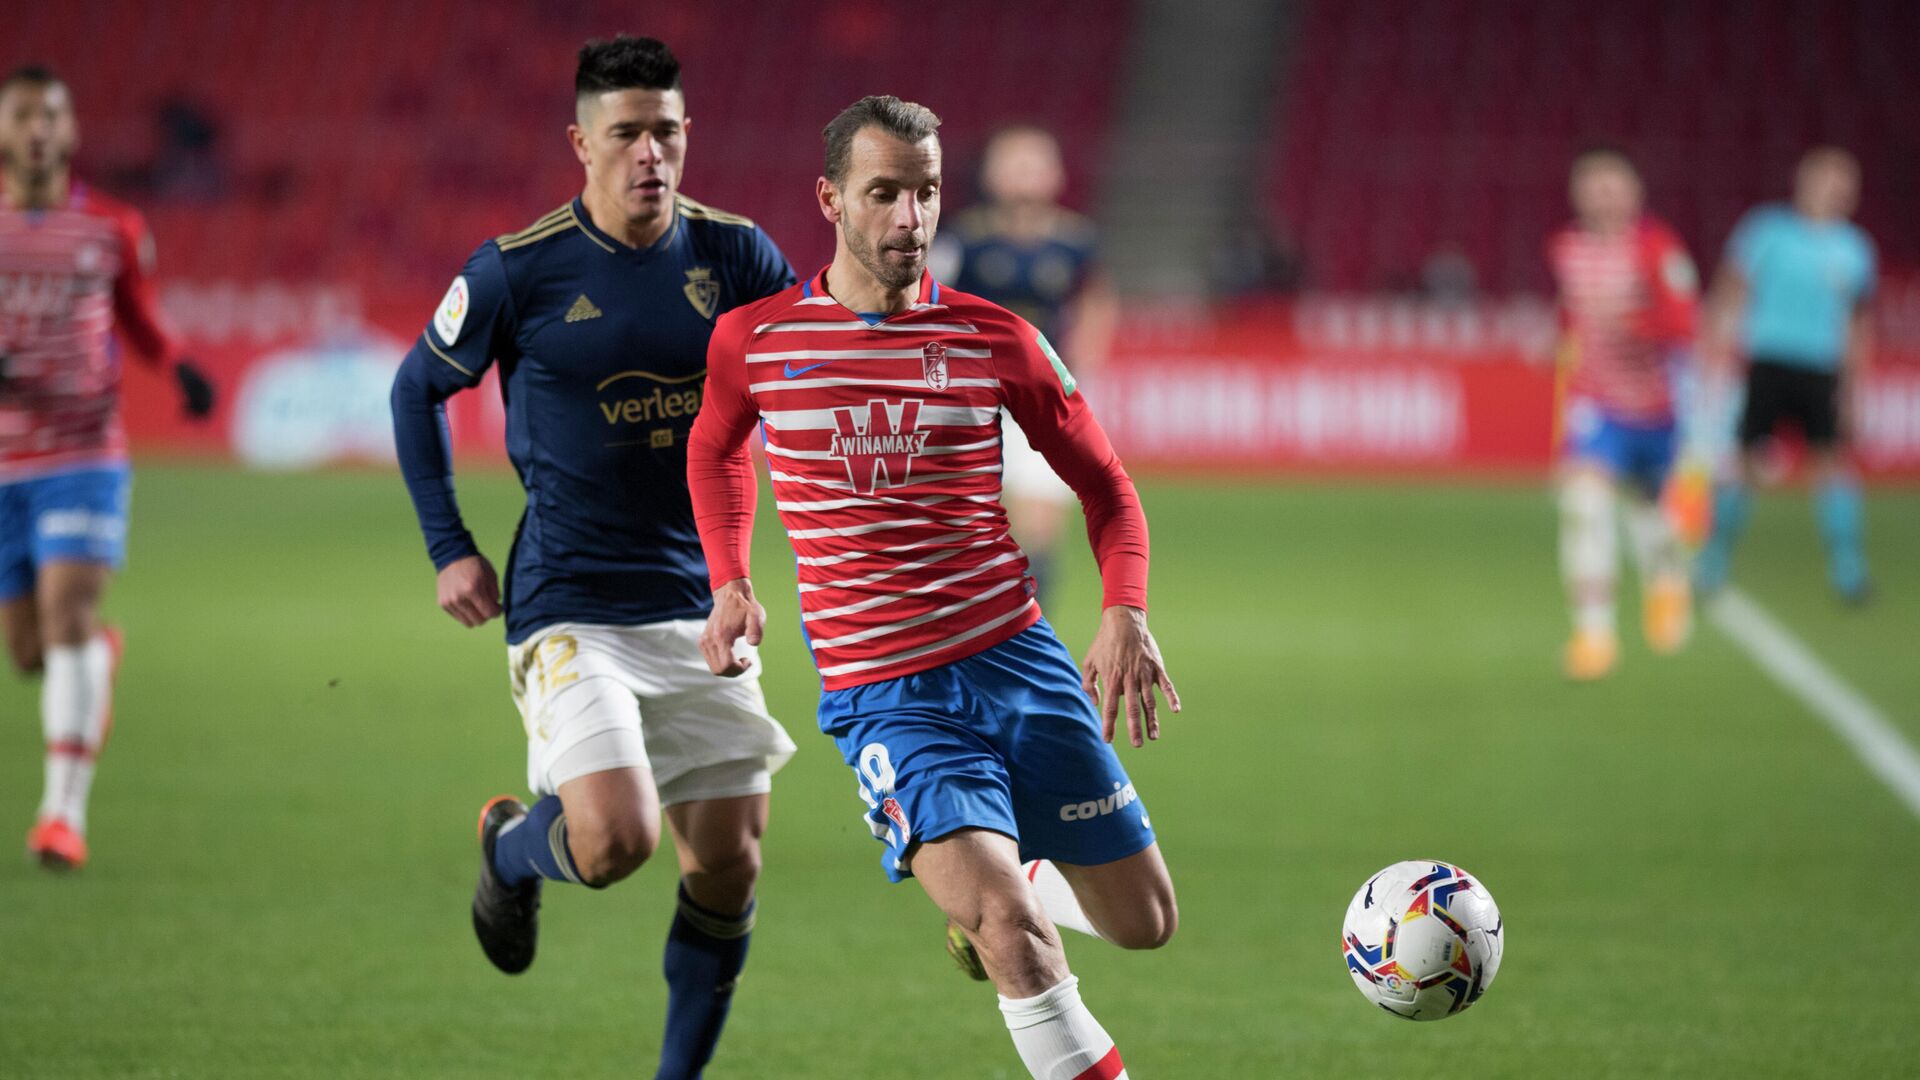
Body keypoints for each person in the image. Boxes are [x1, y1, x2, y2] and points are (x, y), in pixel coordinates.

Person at [689, 95, 1177, 1080]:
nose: (910, 220)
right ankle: (1006, 893)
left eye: (927, 194)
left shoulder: (997, 339)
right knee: (1011, 932)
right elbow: (714, 450)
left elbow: (1107, 487)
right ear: (830, 198)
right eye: (885, 195)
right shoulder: (758, 340)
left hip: (1022, 667)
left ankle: (1027, 866)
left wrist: (1124, 608)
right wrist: (731, 580)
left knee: (1145, 923)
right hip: (889, 697)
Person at [388, 37, 796, 1079]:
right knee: (617, 840)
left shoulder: (738, 255)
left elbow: (803, 381)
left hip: (703, 603)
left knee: (731, 868)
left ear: (687, 135)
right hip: (568, 599)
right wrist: (450, 548)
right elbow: (414, 390)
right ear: (582, 143)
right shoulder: (516, 269)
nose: (650, 153)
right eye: (626, 134)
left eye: (667, 131)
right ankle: (510, 850)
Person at [0, 65, 215, 870]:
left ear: (71, 132)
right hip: (5, 460)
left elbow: (140, 316)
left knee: (63, 621)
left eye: (49, 116)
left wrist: (181, 366)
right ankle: (94, 654)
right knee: (30, 652)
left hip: (84, 452)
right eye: (21, 117)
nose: (36, 131)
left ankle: (61, 817)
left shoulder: (111, 228)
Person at [929, 125, 1116, 606]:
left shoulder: (1075, 241)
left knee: (1040, 526)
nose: (1025, 175)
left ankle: (1030, 638)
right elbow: (925, 303)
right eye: (1015, 163)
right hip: (972, 399)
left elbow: (1097, 302)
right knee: (967, 523)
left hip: (1043, 398)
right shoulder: (963, 238)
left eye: (1035, 163)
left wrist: (1082, 365)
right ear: (992, 173)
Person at [1695, 147, 1877, 603]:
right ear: (1804, 180)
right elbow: (1730, 291)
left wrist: (1853, 389)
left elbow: (1858, 324)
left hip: (1821, 369)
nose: (1838, 188)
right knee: (1745, 463)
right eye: (1829, 178)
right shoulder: (1766, 231)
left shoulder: (1855, 249)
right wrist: (1715, 353)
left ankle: (1848, 568)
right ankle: (1713, 559)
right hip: (1769, 361)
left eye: (1846, 181)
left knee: (1834, 464)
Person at [1546, 147, 1700, 680]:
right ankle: (1594, 634)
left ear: (1635, 192)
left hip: (1656, 409)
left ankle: (1667, 581)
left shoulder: (1658, 250)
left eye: (1613, 184)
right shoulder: (1566, 249)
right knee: (1584, 505)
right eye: (1592, 184)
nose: (1602, 194)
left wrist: (1639, 324)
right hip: (1598, 405)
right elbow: (1572, 323)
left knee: (1650, 516)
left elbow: (1685, 328)